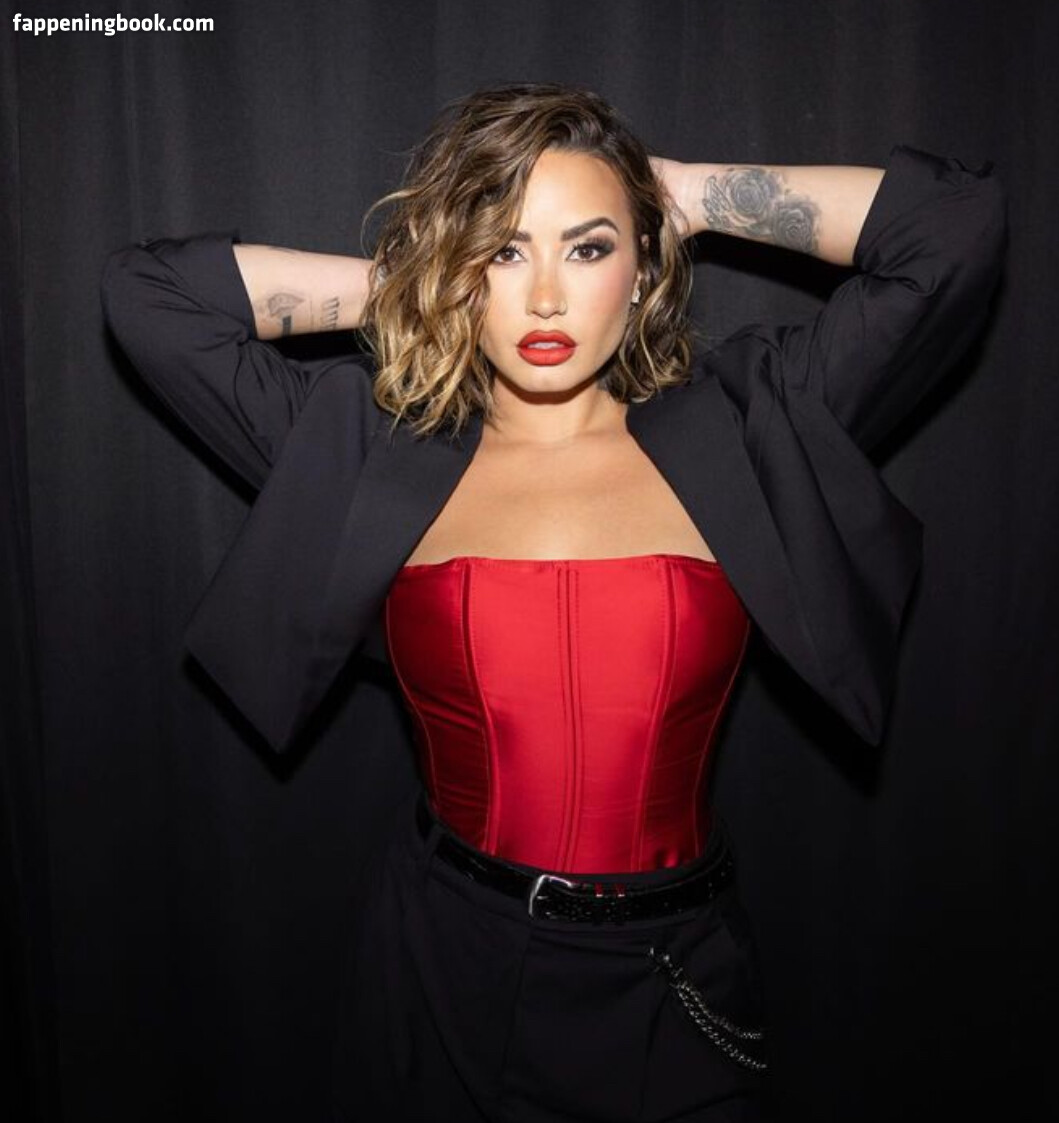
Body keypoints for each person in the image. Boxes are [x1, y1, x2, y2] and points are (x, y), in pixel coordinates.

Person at [100, 83, 1006, 1122]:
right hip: (442, 965)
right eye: (503, 252)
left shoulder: (753, 424)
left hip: (671, 977)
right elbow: (148, 294)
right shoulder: (366, 449)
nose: (542, 299)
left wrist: (682, 192)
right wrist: (425, 279)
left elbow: (953, 229)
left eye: (587, 248)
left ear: (643, 266)